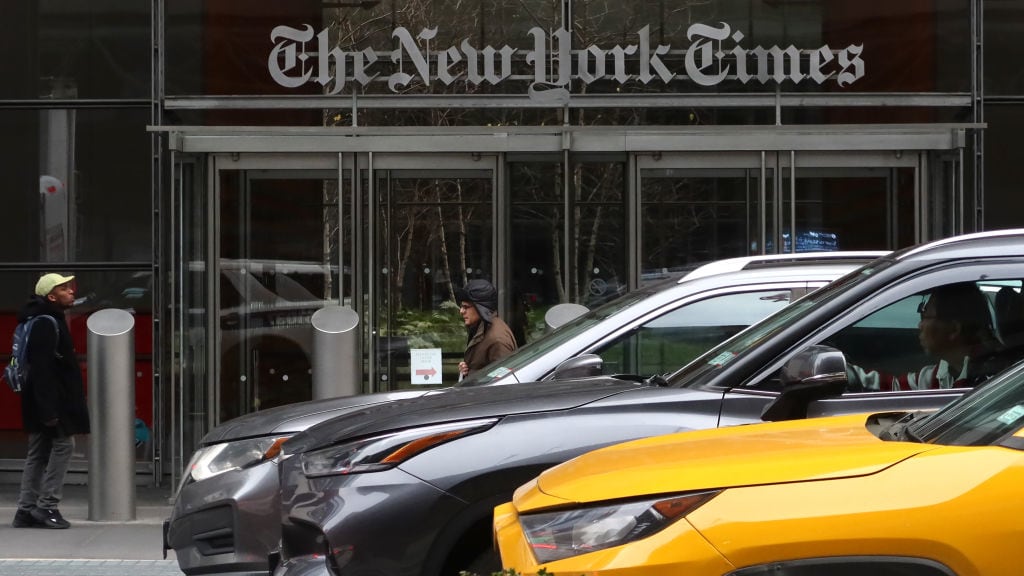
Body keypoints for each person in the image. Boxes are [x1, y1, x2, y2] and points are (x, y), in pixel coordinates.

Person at [12, 273, 90, 529]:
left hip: (41, 401)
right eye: (64, 289)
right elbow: (43, 369)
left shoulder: (41, 319)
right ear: (51, 296)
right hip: (51, 402)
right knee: (63, 447)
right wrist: (49, 410)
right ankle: (47, 506)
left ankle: (26, 510)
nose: (71, 292)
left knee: (38, 452)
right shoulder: (47, 323)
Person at [847, 282, 1005, 391]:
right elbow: (894, 387)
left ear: (954, 329)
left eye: (926, 317)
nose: (919, 325)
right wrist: (845, 372)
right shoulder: (943, 373)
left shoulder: (992, 377)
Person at [456, 279, 517, 379]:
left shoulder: (497, 339)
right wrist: (468, 370)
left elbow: (503, 383)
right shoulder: (483, 327)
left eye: (466, 307)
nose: (461, 311)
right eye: (461, 306)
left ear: (481, 308)